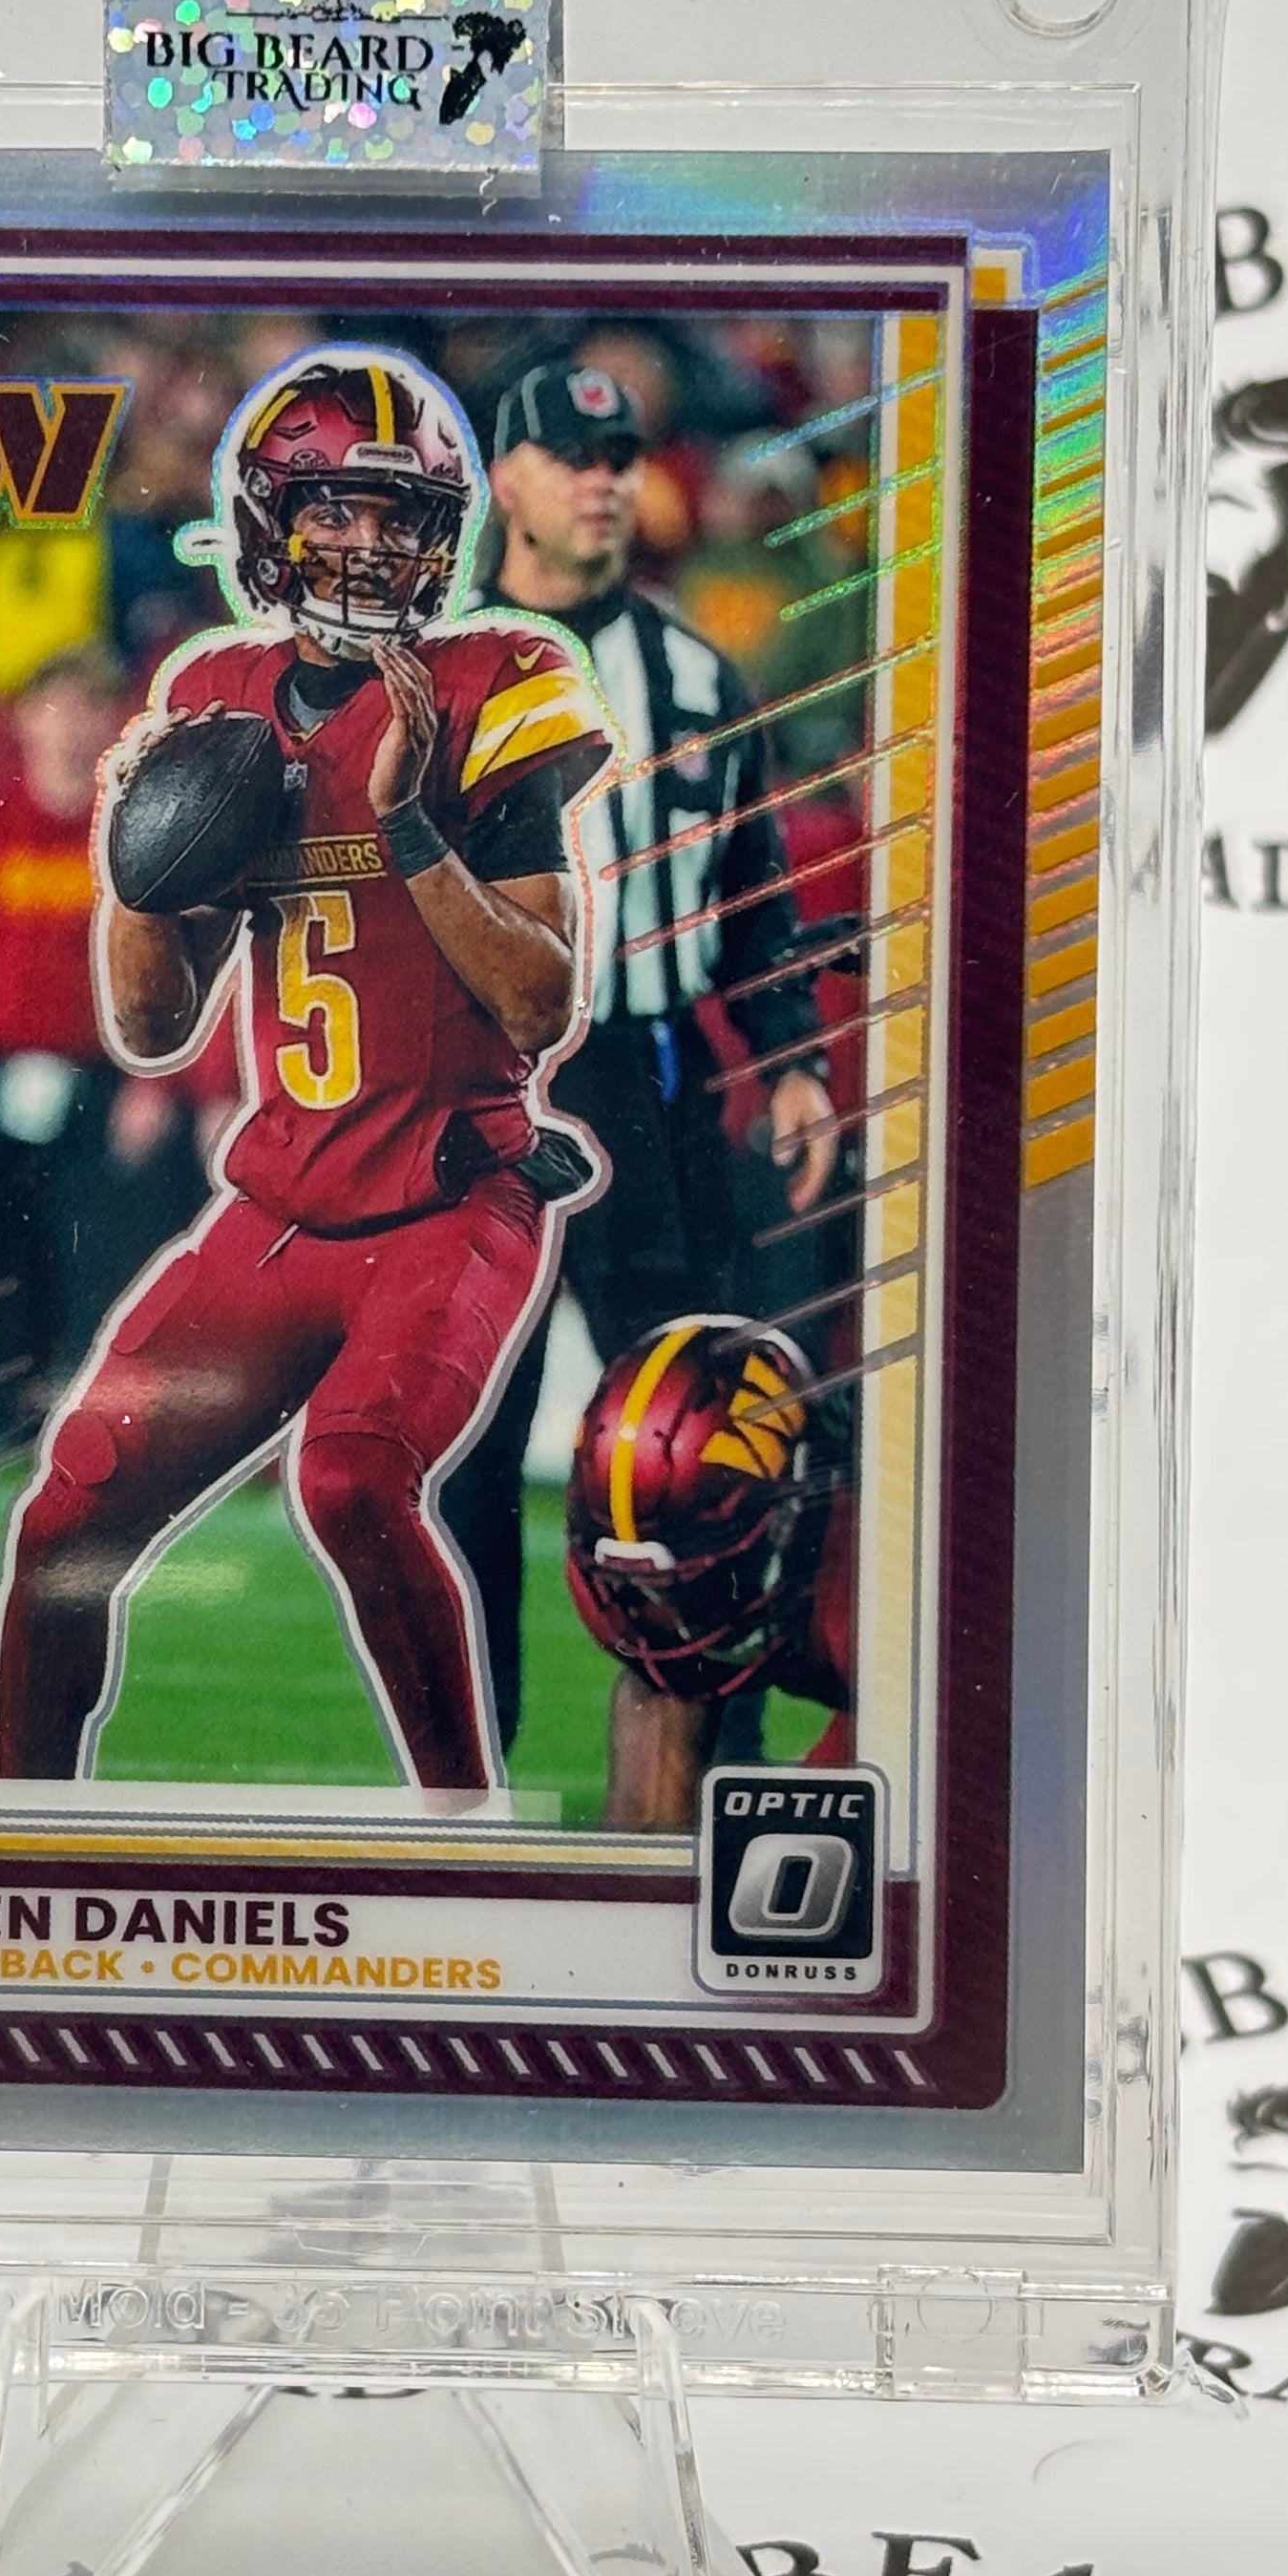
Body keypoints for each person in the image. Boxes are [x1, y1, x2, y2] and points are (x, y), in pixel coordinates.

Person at [0, 349, 610, 1793]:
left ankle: (459, 1831)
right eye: (335, 509)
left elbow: (538, 1005)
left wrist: (411, 830)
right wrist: (136, 865)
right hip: (277, 1208)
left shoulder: (499, 679)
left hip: (452, 1197)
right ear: (273, 519)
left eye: (399, 517)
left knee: (351, 1477)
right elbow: (153, 1025)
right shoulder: (218, 692)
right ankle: (20, 1835)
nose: (370, 545)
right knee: (64, 1516)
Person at [436, 359, 848, 1758]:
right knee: (465, 1450)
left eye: (620, 458)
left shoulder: (695, 676)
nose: (604, 482)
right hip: (472, 1086)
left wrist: (794, 1062)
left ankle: (720, 1763)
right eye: (572, 456)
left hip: (649, 1080)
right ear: (509, 479)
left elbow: (755, 898)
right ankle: (464, 1782)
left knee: (702, 1430)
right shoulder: (427, 671)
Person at [0, 647, 197, 1467]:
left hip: (95, 1076)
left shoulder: (129, 828)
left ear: (109, 724)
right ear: (25, 720)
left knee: (88, 1255)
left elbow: (162, 961)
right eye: (54, 706)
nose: (68, 727)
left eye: (86, 708)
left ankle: (77, 1438)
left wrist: (152, 1080)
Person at [560, 1315, 852, 1831]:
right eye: (641, 1583)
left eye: (697, 1581)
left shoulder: (866, 1585)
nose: (667, 1612)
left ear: (790, 1514)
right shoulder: (624, 1586)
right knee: (657, 1697)